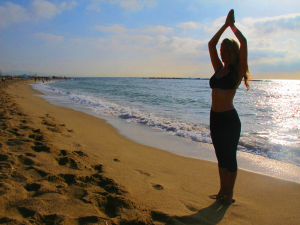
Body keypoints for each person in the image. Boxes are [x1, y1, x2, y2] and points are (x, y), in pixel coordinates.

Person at [208, 9, 250, 205]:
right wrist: (223, 25)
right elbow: (210, 44)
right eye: (221, 51)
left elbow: (244, 43)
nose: (221, 54)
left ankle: (230, 193)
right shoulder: (218, 69)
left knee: (230, 157)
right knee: (220, 157)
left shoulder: (237, 71)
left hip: (229, 120)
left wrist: (232, 26)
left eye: (225, 51)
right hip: (214, 118)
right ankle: (222, 189)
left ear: (232, 52)